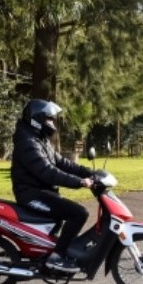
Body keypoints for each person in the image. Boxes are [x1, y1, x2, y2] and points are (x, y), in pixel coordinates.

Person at [10, 99, 94, 273]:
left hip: (42, 192)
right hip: (31, 195)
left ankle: (51, 251)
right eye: (49, 120)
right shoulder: (27, 143)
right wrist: (78, 182)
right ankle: (57, 257)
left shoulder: (39, 139)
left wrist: (90, 173)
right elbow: (47, 172)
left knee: (65, 213)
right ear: (37, 119)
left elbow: (62, 163)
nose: (52, 123)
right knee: (78, 213)